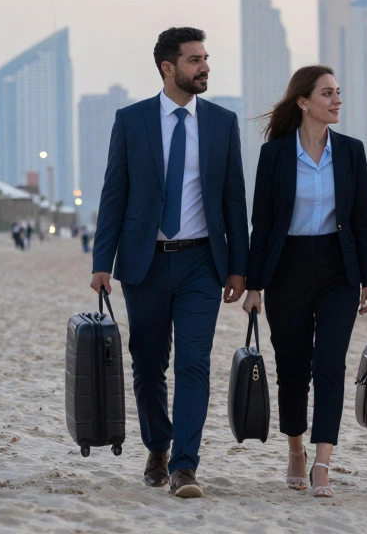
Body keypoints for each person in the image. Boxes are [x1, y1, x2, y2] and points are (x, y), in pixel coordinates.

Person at [89, 27, 248, 499]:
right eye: (195, 60)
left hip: (202, 263)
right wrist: (101, 261)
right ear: (167, 67)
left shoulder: (222, 122)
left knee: (194, 363)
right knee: (148, 362)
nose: (205, 67)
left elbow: (234, 198)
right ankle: (157, 448)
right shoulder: (131, 120)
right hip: (146, 264)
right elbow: (114, 193)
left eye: (206, 58)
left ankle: (184, 466)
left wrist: (239, 267)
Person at [242, 65, 367, 498]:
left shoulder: (351, 151)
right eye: (327, 93)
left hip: (339, 270)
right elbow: (262, 224)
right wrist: (254, 285)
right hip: (287, 269)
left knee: (330, 365)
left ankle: (323, 463)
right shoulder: (275, 155)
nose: (337, 100)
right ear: (303, 102)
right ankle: (296, 450)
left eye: (338, 92)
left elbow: (363, 220)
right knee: (293, 368)